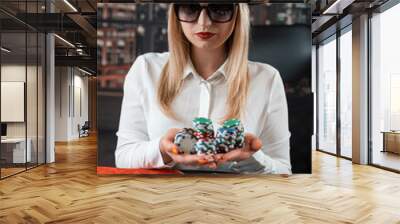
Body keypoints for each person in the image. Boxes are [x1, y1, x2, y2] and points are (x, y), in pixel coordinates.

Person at [115, 3, 292, 174]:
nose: (204, 23)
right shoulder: (146, 69)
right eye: (191, 8)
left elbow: (284, 170)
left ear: (238, 13)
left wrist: (250, 158)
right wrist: (163, 150)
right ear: (176, 13)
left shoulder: (267, 78)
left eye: (220, 9)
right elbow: (124, 158)